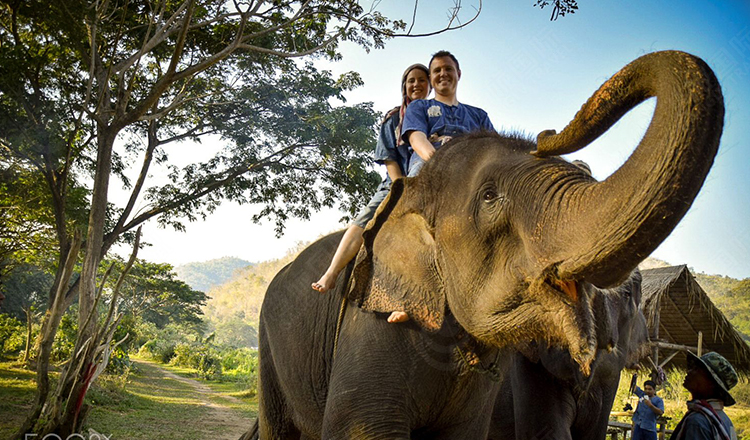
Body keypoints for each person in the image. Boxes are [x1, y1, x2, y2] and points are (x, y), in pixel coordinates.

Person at [311, 63, 431, 323]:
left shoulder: (436, 115)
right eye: (411, 80)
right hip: (396, 183)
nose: (417, 85)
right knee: (363, 221)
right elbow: (390, 161)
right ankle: (331, 272)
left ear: (430, 85)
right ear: (404, 86)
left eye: (422, 80)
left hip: (430, 184)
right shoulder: (392, 119)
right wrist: (403, 192)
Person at [401, 50, 495, 177]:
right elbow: (417, 139)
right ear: (430, 78)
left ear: (459, 74)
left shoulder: (479, 115)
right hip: (427, 165)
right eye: (437, 70)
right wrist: (439, 164)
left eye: (448, 69)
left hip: (472, 169)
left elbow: (494, 147)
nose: (443, 74)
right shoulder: (418, 106)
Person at [670, 351, 739, 440]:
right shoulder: (725, 420)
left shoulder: (697, 422)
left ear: (712, 383)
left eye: (697, 369)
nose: (689, 371)